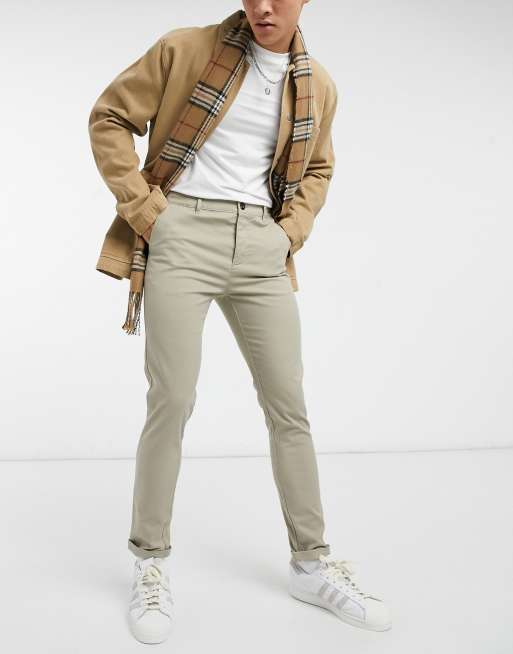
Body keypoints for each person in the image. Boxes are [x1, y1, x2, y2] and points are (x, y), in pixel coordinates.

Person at [88, 1, 391, 644]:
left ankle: (311, 563)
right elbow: (110, 116)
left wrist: (289, 234)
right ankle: (150, 562)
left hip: (261, 246)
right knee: (172, 399)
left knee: (288, 404)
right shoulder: (185, 48)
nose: (262, 6)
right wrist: (145, 211)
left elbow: (318, 168)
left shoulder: (317, 84)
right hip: (181, 231)